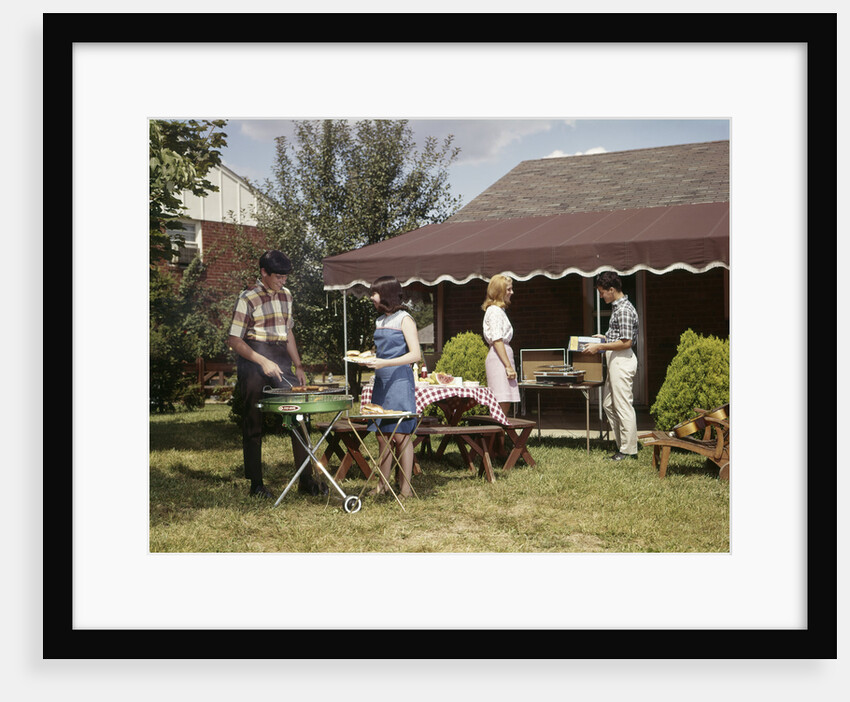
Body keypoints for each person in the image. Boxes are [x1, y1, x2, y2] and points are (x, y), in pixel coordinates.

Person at [227, 250, 324, 498]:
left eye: (285, 277)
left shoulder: (287, 296)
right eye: (279, 277)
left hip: (280, 357)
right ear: (264, 273)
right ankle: (256, 484)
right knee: (253, 420)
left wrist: (298, 365)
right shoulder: (248, 298)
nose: (283, 281)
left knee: (301, 414)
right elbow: (234, 340)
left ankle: (306, 480)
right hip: (253, 358)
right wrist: (261, 360)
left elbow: (288, 332)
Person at [364, 276, 421, 499]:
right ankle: (382, 484)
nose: (371, 297)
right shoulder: (380, 321)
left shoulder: (405, 319)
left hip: (399, 382)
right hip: (382, 381)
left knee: (401, 435)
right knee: (382, 435)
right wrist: (373, 357)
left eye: (374, 293)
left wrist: (384, 362)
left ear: (386, 294)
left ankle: (406, 489)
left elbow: (415, 354)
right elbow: (384, 351)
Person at [582, 271, 640, 461]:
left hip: (622, 359)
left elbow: (626, 342)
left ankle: (628, 450)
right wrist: (605, 338)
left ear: (612, 289)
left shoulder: (623, 309)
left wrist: (600, 346)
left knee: (622, 405)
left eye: (602, 292)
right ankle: (623, 443)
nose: (600, 296)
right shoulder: (618, 307)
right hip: (616, 358)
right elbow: (619, 337)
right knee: (608, 404)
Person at [481, 274, 519, 417]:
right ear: (500, 291)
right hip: (499, 359)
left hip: (502, 357)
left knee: (505, 401)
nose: (512, 292)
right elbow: (497, 340)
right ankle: (494, 437)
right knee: (500, 401)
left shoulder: (499, 311)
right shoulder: (495, 312)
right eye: (508, 289)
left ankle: (499, 437)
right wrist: (508, 366)